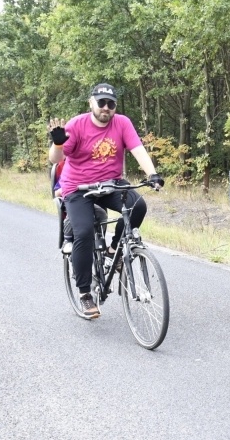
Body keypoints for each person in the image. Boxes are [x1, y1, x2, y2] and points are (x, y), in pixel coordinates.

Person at [48, 83, 163, 319]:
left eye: (111, 104)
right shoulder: (77, 124)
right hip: (78, 187)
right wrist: (58, 143)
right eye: (101, 103)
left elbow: (137, 149)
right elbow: (55, 159)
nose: (106, 108)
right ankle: (85, 294)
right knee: (84, 233)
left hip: (110, 183)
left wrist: (152, 174)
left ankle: (114, 251)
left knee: (138, 205)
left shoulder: (122, 122)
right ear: (91, 103)